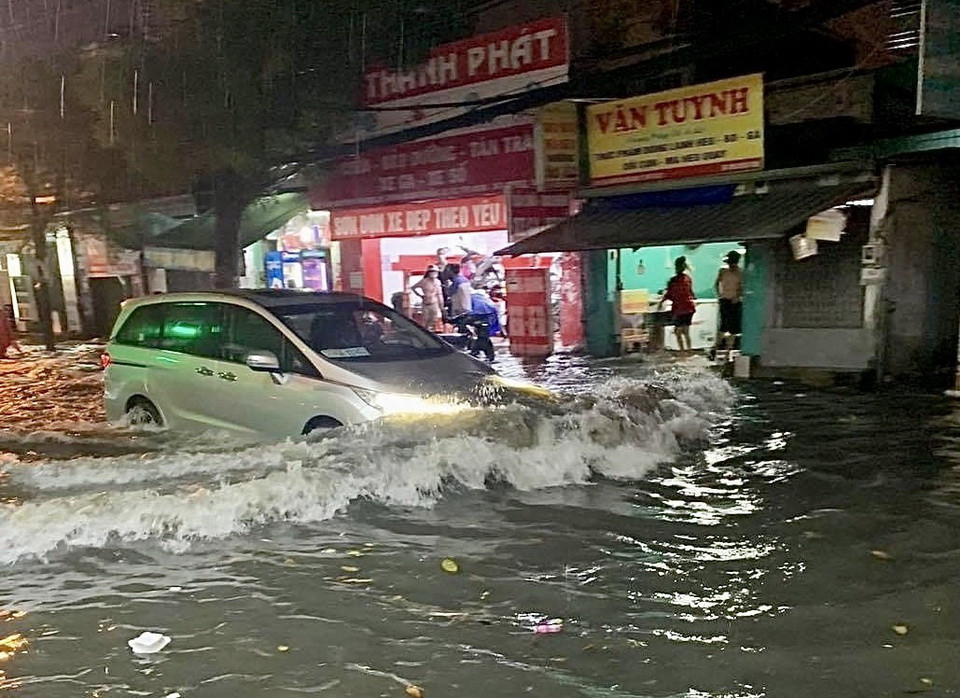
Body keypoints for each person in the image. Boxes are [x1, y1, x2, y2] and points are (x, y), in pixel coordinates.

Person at [658, 256, 696, 354]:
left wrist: (661, 302)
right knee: (686, 332)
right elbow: (690, 293)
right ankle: (689, 351)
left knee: (678, 332)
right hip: (688, 307)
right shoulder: (687, 278)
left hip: (680, 309)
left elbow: (669, 294)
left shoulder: (673, 280)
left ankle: (683, 352)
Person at [713, 250, 743, 356]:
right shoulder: (725, 271)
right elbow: (717, 283)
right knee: (724, 326)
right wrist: (720, 295)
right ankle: (719, 348)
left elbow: (741, 287)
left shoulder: (739, 272)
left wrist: (736, 296)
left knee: (732, 328)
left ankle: (726, 350)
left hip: (732, 300)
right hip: (727, 299)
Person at [411, 265, 444, 331]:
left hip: (434, 303)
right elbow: (413, 287)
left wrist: (441, 306)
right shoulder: (424, 281)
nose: (433, 273)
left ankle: (431, 332)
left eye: (435, 272)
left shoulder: (437, 282)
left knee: (434, 319)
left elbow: (439, 294)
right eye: (431, 271)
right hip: (426, 303)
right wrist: (420, 295)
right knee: (425, 320)